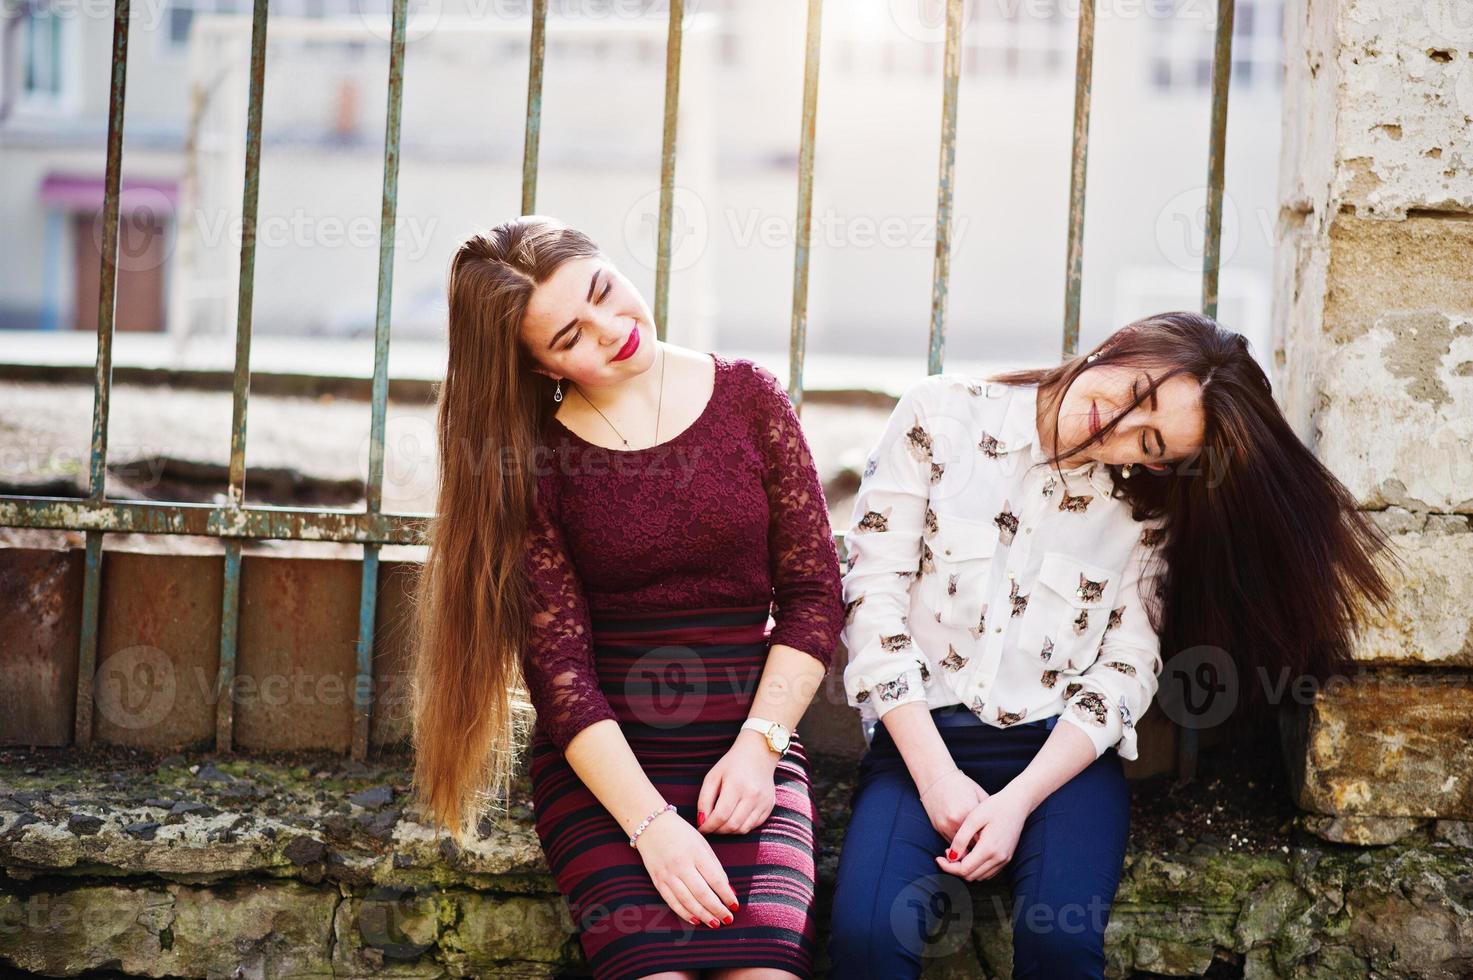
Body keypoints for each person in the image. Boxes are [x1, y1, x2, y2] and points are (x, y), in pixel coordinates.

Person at [827, 312, 1396, 978]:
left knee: (1061, 946)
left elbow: (1126, 668)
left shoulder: (1142, 512)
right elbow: (870, 599)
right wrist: (935, 778)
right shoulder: (938, 417)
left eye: (1149, 441)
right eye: (1139, 395)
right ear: (1126, 346)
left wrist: (1014, 804)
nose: (1117, 427)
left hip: (1059, 758)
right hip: (920, 741)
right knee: (866, 938)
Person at [408, 215, 846, 980]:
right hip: (610, 770)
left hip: (748, 749)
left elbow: (812, 595)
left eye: (606, 292)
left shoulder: (750, 398)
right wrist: (651, 827)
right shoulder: (538, 461)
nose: (613, 330)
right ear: (542, 369)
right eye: (570, 337)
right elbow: (560, 675)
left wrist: (758, 750)